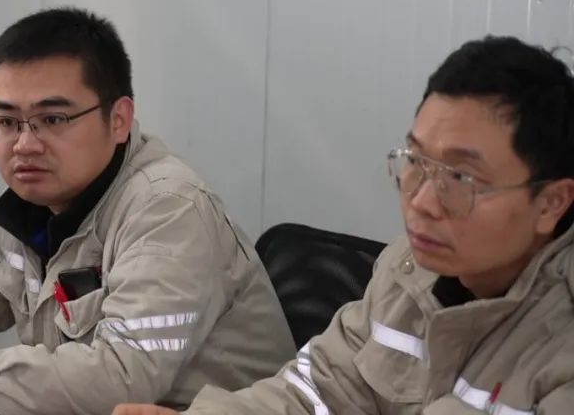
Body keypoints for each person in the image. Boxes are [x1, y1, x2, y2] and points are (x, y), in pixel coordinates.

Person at [0, 8, 294, 414]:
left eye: (52, 119)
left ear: (119, 120)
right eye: (7, 121)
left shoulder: (169, 210)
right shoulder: (40, 200)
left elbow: (124, 373)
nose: (25, 144)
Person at [115, 35, 574, 415]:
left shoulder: (560, 351)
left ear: (551, 203)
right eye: (416, 161)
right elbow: (319, 391)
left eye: (461, 178)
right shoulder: (407, 271)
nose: (421, 202)